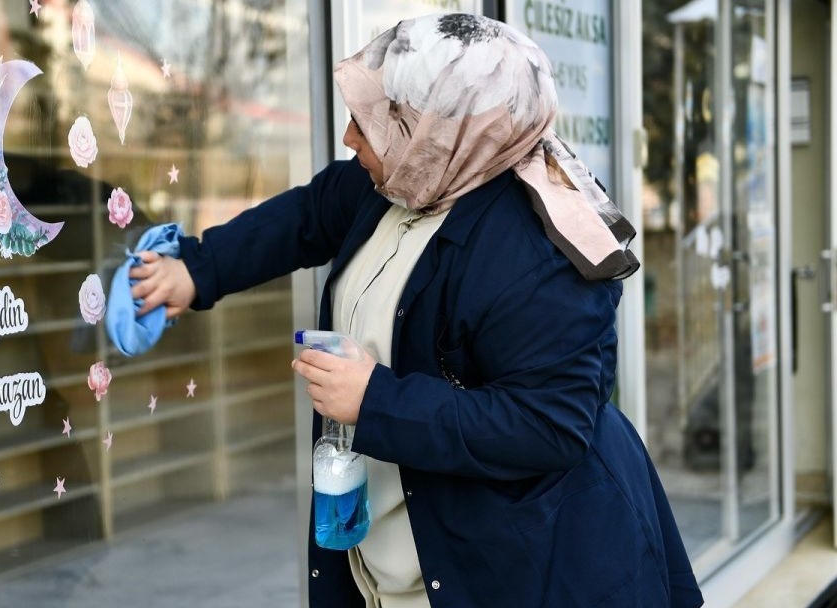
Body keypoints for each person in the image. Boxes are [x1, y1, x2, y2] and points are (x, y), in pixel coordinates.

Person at [128, 13, 703, 608]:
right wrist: (198, 270)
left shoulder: (539, 252)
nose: (350, 139)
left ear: (435, 129)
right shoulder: (405, 176)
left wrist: (375, 401)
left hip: (517, 569)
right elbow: (308, 216)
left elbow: (547, 426)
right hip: (388, 558)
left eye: (368, 123)